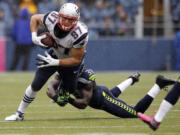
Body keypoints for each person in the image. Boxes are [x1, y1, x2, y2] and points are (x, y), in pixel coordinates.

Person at [5, 3, 88, 121]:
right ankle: (19, 113)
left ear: (76, 20)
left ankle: (63, 79)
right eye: (64, 18)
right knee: (36, 84)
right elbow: (34, 18)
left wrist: (56, 63)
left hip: (69, 60)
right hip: (53, 54)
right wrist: (33, 36)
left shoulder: (80, 33)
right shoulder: (51, 18)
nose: (66, 23)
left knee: (69, 90)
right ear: (59, 16)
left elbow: (76, 59)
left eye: (70, 20)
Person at [46, 69, 176, 118]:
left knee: (136, 112)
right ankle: (132, 79)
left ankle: (158, 84)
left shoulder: (86, 80)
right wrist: (56, 96)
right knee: (113, 95)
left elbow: (84, 103)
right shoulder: (62, 73)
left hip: (102, 98)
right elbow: (50, 87)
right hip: (100, 97)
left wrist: (68, 99)